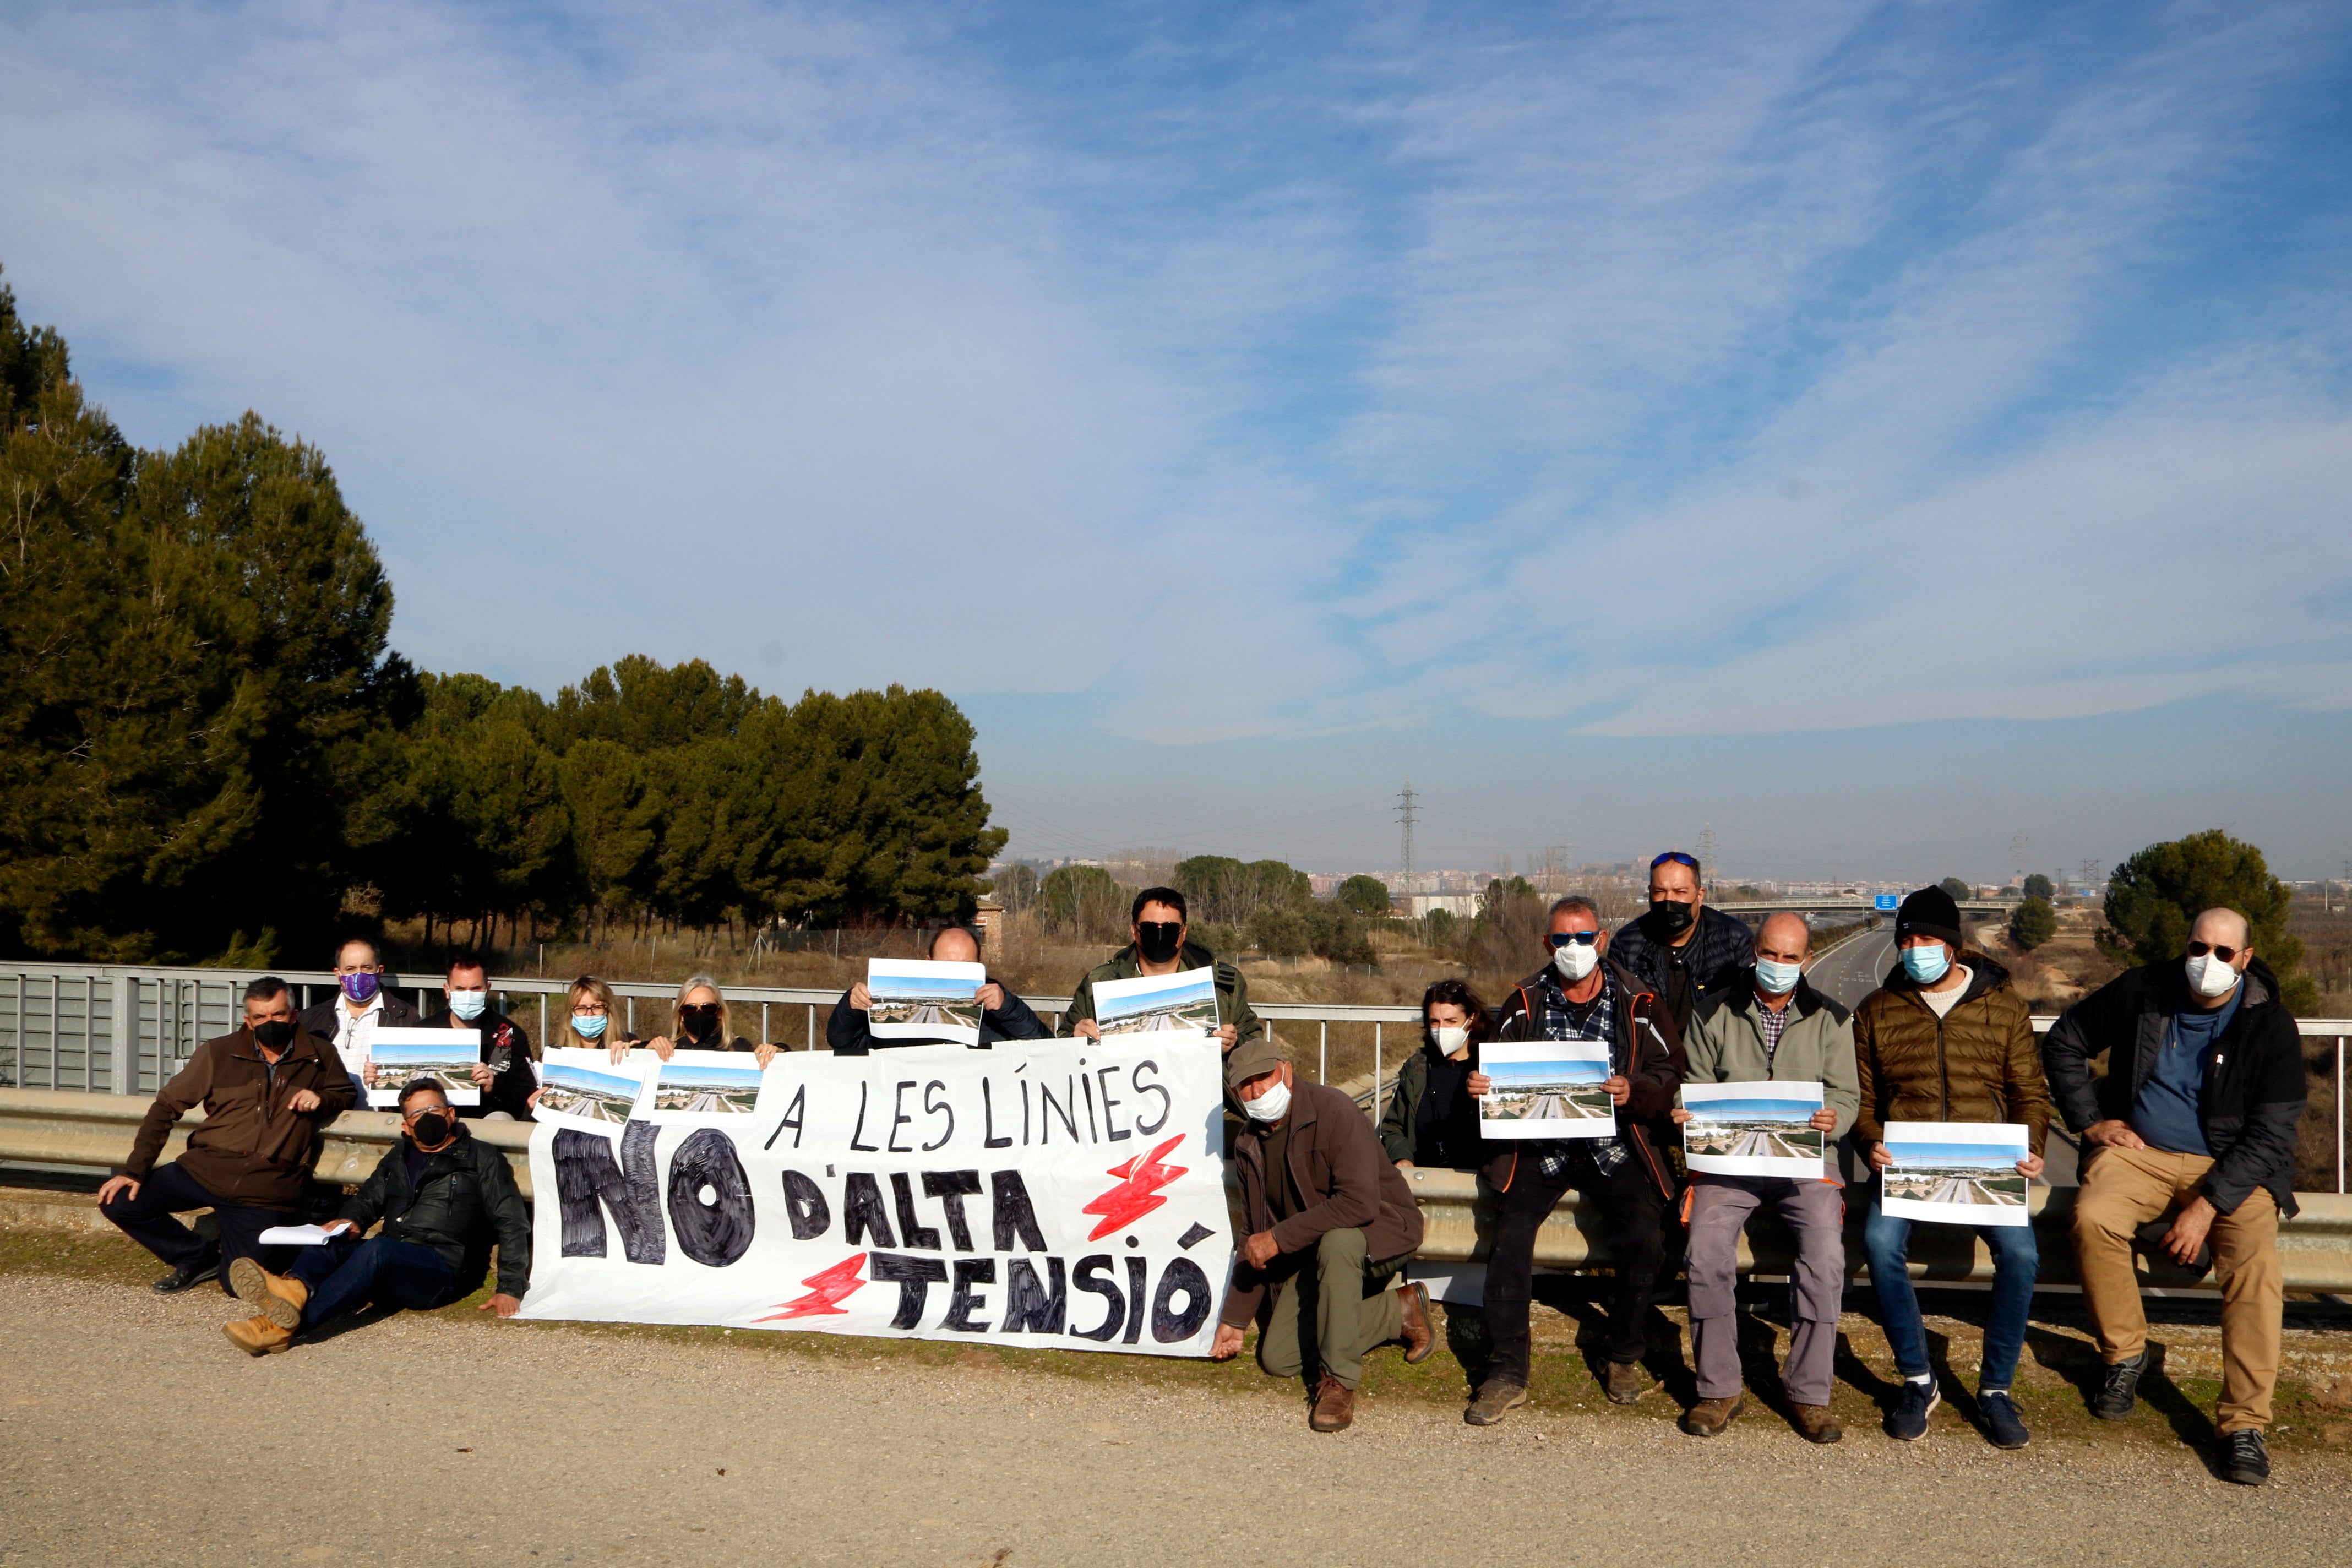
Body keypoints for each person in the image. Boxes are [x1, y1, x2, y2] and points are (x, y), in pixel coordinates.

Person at [2042, 907, 2307, 1487]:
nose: (2207, 961)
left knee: (2255, 1267)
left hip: (2233, 1165)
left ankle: (2243, 1424)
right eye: (2198, 948)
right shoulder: (2144, 991)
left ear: (2246, 958)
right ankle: (2124, 1354)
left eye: (2223, 952)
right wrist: (2089, 1122)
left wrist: (2207, 1207)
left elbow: (2272, 1134)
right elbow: (2065, 1040)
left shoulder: (2270, 1025)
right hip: (2141, 1151)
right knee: (2093, 1217)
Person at [1467, 897, 1686, 1425]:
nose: (1573, 948)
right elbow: (1495, 1069)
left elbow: (1670, 1072)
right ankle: (1506, 1372)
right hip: (1539, 1149)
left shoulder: (1640, 1001)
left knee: (1645, 1238)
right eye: (1562, 939)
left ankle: (1622, 1354)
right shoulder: (1523, 1001)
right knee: (1510, 1240)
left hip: (1616, 1145)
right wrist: (1481, 1087)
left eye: (1583, 937)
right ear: (1547, 943)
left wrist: (1633, 1090)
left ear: (1601, 939)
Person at [1853, 885, 2049, 1450]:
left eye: (1927, 939)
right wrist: (1870, 1142)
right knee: (1879, 1243)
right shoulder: (1876, 1010)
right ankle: (1918, 1378)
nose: (1916, 949)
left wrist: (2033, 1146)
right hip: (1907, 1167)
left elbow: (2029, 1092)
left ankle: (1996, 1388)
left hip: (1988, 1168)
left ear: (1952, 944)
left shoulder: (2004, 1007)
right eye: (1907, 940)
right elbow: (1864, 1101)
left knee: (2022, 1255)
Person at [1674, 912, 1858, 1442]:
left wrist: (1836, 1119)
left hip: (1807, 1163)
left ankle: (1809, 1394)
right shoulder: (1712, 1012)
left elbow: (1847, 1094)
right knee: (1705, 1255)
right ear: (1755, 951)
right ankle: (1718, 1389)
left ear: (1807, 960)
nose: (1779, 964)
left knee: (1825, 1259)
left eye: (1790, 957)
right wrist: (1686, 1111)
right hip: (1729, 1163)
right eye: (1771, 954)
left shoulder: (1831, 1018)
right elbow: (1694, 1082)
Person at [1212, 1039, 1433, 1431]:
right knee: (1278, 1358)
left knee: (1339, 1241)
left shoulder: (1335, 1110)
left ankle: (1339, 1381)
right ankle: (1398, 1311)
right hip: (1312, 1247)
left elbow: (1359, 1204)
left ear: (1287, 1072)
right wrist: (1236, 1318)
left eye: (1264, 1077)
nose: (1257, 1091)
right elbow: (1253, 1234)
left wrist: (1279, 1238)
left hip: (1381, 1230)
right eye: (1245, 1085)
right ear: (1235, 1093)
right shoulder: (1248, 1143)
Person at [222, 1077, 531, 1354]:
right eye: (417, 1114)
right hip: (393, 1261)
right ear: (406, 1127)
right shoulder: (399, 1156)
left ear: (450, 1114)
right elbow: (369, 1199)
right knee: (327, 1240)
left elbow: (511, 1221)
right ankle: (293, 1289)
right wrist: (351, 1220)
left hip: (442, 1270)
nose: (427, 1118)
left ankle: (286, 1326)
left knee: (379, 1249)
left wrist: (509, 1288)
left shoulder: (482, 1158)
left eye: (434, 1109)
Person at [97, 977, 357, 1296]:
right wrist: (134, 1171)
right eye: (260, 1017)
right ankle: (196, 1257)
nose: (269, 1023)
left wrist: (322, 1099)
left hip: (265, 1188)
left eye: (278, 1014)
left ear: (294, 1015)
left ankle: (280, 1252)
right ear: (248, 1021)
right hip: (205, 1169)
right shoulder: (218, 1053)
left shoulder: (321, 1055)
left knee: (237, 1285)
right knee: (119, 1201)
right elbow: (165, 1107)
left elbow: (344, 1093)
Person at [1058, 887, 1264, 1055]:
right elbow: (1060, 1044)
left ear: (1184, 931)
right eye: (1149, 928)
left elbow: (1255, 1043)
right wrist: (1077, 1039)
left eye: (1170, 928)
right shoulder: (1098, 983)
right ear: (1134, 930)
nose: (1159, 935)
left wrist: (1234, 1044)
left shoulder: (1224, 984)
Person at [826, 924, 1051, 1056]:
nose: (955, 974)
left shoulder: (998, 1006)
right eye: (946, 965)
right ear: (929, 961)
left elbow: (1046, 1048)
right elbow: (842, 1042)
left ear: (980, 965)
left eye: (966, 966)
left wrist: (1008, 1007)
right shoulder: (893, 1001)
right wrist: (851, 1006)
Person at [1609, 851, 1757, 1036]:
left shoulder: (1734, 939)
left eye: (1680, 892)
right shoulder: (1627, 944)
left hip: (1714, 1051)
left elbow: (1749, 1012)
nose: (1669, 901)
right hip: (1651, 1051)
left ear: (1700, 895)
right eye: (1660, 892)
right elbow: (1616, 1016)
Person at [1378, 978, 1493, 1171]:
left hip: (1478, 1178)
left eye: (1451, 1021)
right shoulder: (1417, 1069)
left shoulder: (1488, 1068)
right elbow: (1393, 1126)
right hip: (1425, 1176)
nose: (1442, 1029)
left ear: (1471, 1019)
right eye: (1434, 1022)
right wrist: (1402, 1158)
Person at [295, 937, 421, 1101]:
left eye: (366, 968)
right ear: (338, 974)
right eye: (350, 969)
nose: (358, 975)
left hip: (380, 1114)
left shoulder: (406, 1017)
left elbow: (416, 1076)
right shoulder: (311, 1019)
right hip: (327, 1113)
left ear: (379, 971)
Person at [422, 953, 536, 1121]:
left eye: (476, 989)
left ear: (487, 989)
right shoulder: (424, 1031)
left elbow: (527, 1096)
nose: (468, 995)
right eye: (460, 989)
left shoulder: (510, 1034)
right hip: (433, 1120)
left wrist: (494, 1087)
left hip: (486, 1120)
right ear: (447, 991)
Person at [624, 974, 772, 1063]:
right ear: (681, 1015)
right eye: (690, 1009)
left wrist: (776, 1050)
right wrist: (641, 1050)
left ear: (719, 1012)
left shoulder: (739, 1047)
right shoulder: (667, 1048)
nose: (699, 1014)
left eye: (708, 1008)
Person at [548, 973, 645, 1055]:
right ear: (571, 1012)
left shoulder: (628, 1043)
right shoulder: (554, 1054)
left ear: (608, 1010)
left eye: (597, 1007)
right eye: (581, 1008)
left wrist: (630, 1053)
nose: (589, 1014)